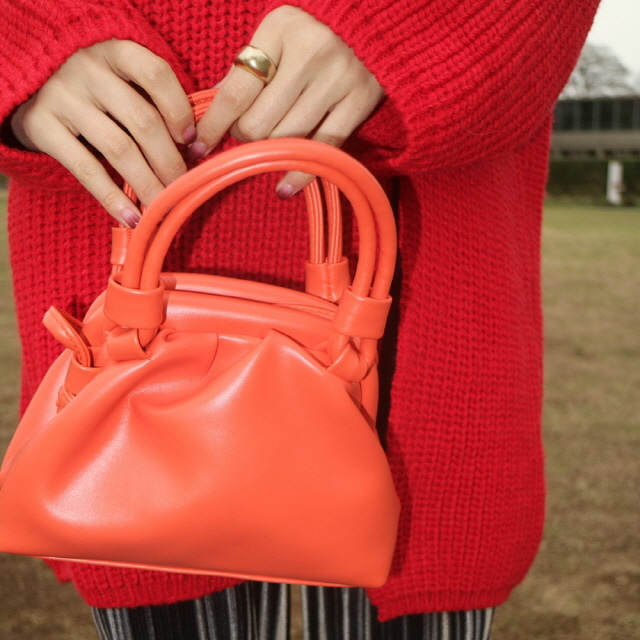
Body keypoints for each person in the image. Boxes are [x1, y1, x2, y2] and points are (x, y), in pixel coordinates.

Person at [0, 1, 600, 638]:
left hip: (429, 275)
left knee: (412, 548)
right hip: (114, 237)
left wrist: (402, 24)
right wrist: (24, 39)